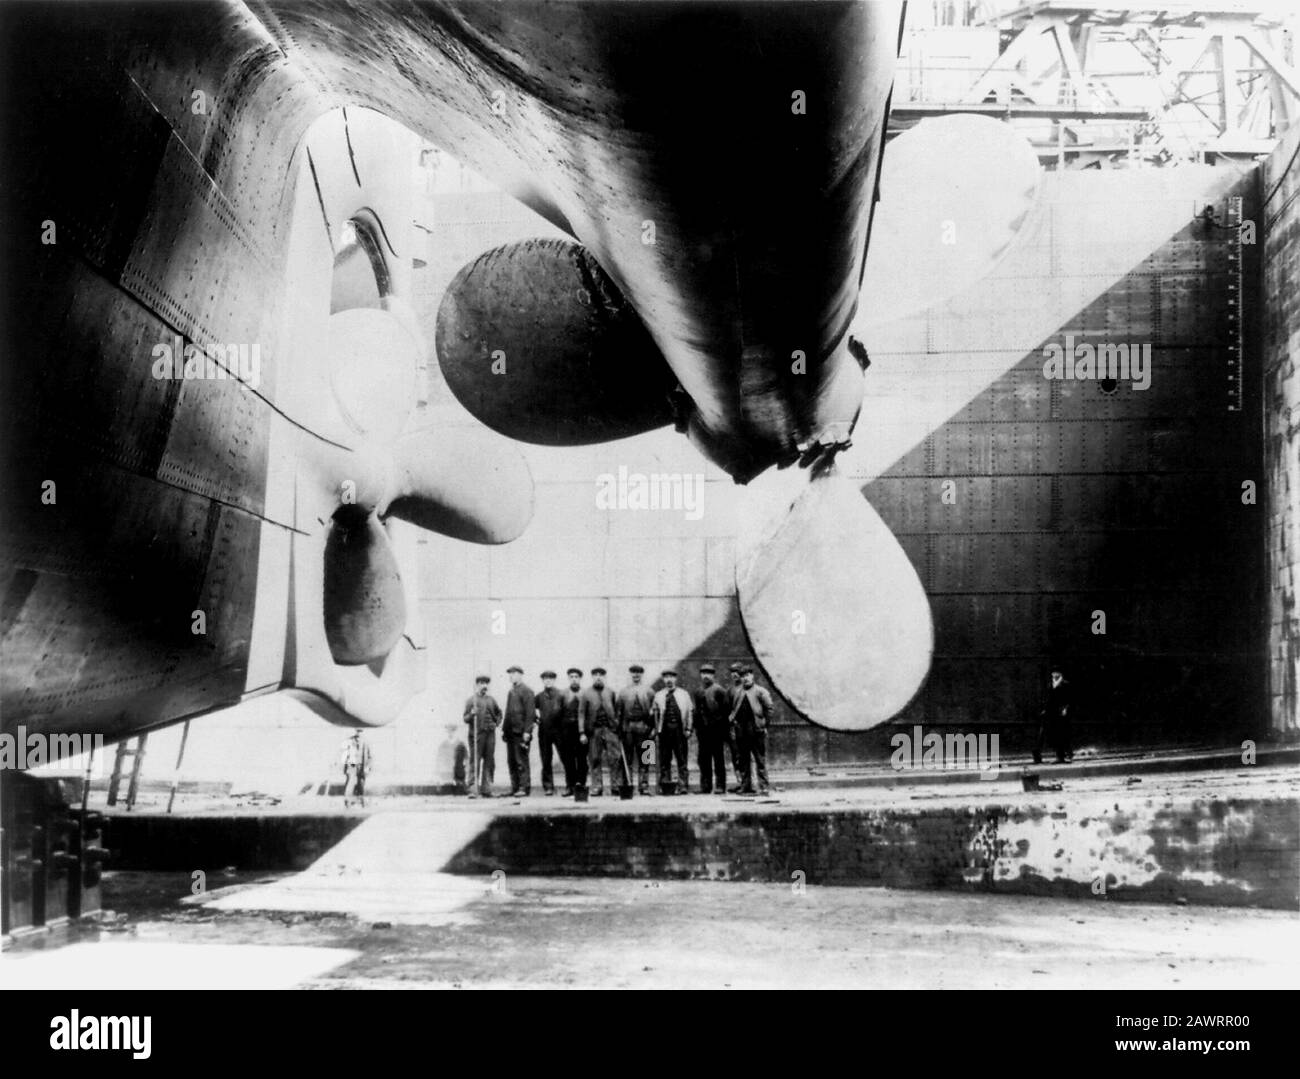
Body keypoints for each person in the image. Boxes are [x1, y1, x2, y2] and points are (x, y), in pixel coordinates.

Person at [730, 666, 775, 795]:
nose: (745, 678)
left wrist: (765, 725)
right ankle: (745, 786)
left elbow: (769, 709)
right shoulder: (738, 692)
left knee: (760, 760)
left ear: (752, 676)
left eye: (747, 675)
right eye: (743, 676)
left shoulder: (761, 691)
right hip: (742, 731)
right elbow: (734, 710)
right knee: (743, 761)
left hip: (756, 730)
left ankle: (764, 787)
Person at [616, 664, 656, 795]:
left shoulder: (649, 692)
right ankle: (627, 785)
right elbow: (619, 713)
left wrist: (653, 729)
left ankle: (644, 786)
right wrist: (619, 730)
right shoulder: (623, 692)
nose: (636, 675)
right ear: (630, 674)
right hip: (628, 728)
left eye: (639, 672)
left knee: (646, 758)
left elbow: (655, 713)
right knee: (626, 759)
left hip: (645, 728)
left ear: (642, 674)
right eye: (633, 672)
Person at [652, 669, 693, 794]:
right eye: (666, 677)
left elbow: (690, 712)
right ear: (663, 680)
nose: (669, 680)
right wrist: (656, 730)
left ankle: (683, 785)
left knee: (681, 758)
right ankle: (665, 784)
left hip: (679, 730)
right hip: (664, 731)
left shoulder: (684, 694)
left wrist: (688, 728)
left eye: (671, 677)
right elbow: (654, 714)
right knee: (664, 759)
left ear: (675, 679)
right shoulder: (658, 695)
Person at [581, 667, 620, 796]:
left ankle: (615, 785)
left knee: (614, 758)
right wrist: (582, 732)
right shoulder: (586, 694)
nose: (598, 677)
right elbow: (581, 714)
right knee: (594, 758)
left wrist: (616, 727)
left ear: (604, 677)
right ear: (592, 677)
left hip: (609, 730)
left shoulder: (611, 692)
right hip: (594, 731)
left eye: (601, 675)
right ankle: (597, 786)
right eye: (595, 675)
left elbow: (615, 710)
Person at [463, 675, 502, 797]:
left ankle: (487, 789)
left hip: (490, 735)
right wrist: (471, 713)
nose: (484, 686)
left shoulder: (491, 700)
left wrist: (497, 722)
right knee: (475, 761)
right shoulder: (471, 700)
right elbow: (465, 718)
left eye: (486, 683)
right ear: (477, 685)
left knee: (489, 761)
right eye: (481, 683)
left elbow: (499, 713)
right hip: (477, 735)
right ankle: (473, 789)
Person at [694, 663, 729, 794]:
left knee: (718, 759)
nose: (706, 676)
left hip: (716, 732)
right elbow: (697, 711)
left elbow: (725, 712)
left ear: (713, 675)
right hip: (703, 732)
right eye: (703, 673)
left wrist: (723, 732)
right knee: (703, 760)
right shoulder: (698, 691)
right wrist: (697, 729)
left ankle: (720, 786)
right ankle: (705, 786)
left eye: (708, 673)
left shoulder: (719, 690)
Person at [503, 665, 537, 796]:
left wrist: (527, 731)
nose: (511, 676)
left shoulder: (527, 691)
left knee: (521, 761)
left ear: (520, 675)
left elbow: (530, 713)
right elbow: (508, 712)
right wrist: (504, 730)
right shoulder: (511, 692)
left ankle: (524, 788)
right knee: (511, 761)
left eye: (514, 673)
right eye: (510, 673)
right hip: (511, 733)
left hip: (521, 733)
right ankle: (515, 787)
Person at [1034, 664, 1074, 764]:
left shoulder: (1065, 684)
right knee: (1051, 734)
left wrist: (1065, 708)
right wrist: (1045, 710)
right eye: (1053, 672)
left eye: (1057, 672)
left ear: (1060, 674)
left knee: (1062, 734)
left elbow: (1069, 699)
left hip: (1061, 713)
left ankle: (1064, 756)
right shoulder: (1050, 684)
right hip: (1051, 713)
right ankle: (1058, 755)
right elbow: (1048, 699)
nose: (1055, 674)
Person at [534, 670, 566, 795]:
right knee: (546, 759)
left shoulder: (561, 694)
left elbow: (566, 711)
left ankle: (571, 784)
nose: (548, 681)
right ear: (542, 680)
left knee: (565, 757)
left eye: (550, 678)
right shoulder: (539, 696)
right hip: (544, 731)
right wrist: (536, 720)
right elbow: (531, 710)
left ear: (554, 680)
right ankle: (548, 787)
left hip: (559, 731)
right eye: (545, 678)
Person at [560, 667, 587, 796]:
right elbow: (558, 713)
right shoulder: (563, 694)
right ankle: (569, 786)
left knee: (582, 759)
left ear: (580, 678)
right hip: (567, 731)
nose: (574, 679)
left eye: (576, 677)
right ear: (568, 679)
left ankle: (581, 785)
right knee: (568, 759)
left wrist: (585, 732)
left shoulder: (585, 694)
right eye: (571, 677)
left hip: (581, 731)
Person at [726, 661, 746, 788]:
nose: (735, 675)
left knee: (747, 756)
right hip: (735, 727)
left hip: (747, 727)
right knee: (736, 756)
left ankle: (749, 782)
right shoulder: (730, 690)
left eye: (737, 672)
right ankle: (741, 782)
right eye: (732, 672)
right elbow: (727, 709)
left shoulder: (748, 688)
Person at [340, 730, 372, 808]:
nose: (358, 733)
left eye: (360, 731)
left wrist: (367, 767)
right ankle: (347, 803)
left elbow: (369, 756)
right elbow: (344, 754)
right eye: (357, 731)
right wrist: (345, 766)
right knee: (350, 783)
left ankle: (361, 802)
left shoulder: (365, 742)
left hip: (362, 766)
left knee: (361, 784)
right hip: (352, 765)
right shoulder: (349, 741)